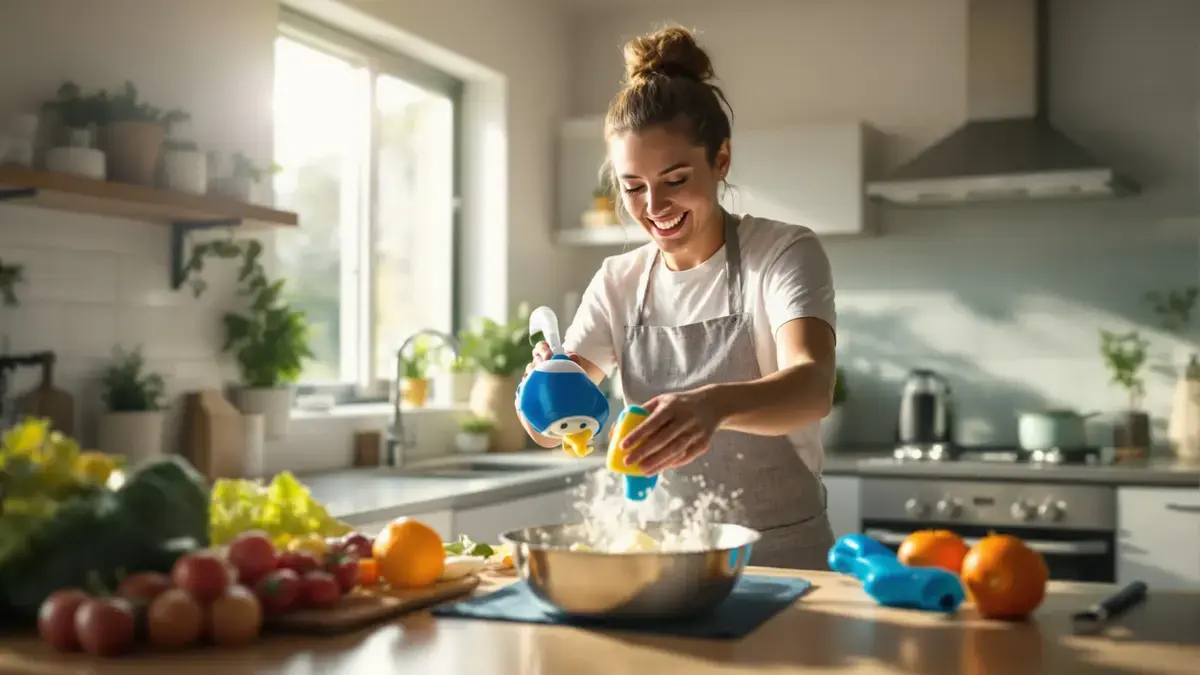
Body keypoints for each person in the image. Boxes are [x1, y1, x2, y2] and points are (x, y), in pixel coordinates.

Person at [516, 25, 838, 570]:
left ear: (721, 161)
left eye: (675, 178)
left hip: (784, 559)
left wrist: (713, 405)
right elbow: (553, 435)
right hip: (664, 558)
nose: (654, 205)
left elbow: (811, 386)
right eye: (633, 186)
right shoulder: (618, 281)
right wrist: (546, 397)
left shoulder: (782, 252)